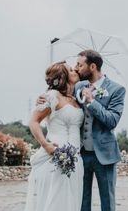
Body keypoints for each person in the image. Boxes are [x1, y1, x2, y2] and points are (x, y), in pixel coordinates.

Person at [37, 50, 126, 211]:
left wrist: (92, 101)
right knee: (81, 200)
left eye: (80, 64)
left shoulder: (116, 89)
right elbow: (62, 97)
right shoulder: (78, 86)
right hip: (80, 154)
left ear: (92, 66)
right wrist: (44, 97)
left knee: (107, 201)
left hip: (104, 155)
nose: (76, 68)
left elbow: (112, 120)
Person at [25, 61, 84, 211]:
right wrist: (46, 145)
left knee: (71, 201)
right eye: (71, 70)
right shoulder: (52, 96)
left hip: (76, 158)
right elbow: (33, 122)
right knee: (55, 202)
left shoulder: (77, 98)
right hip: (56, 154)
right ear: (63, 76)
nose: (75, 71)